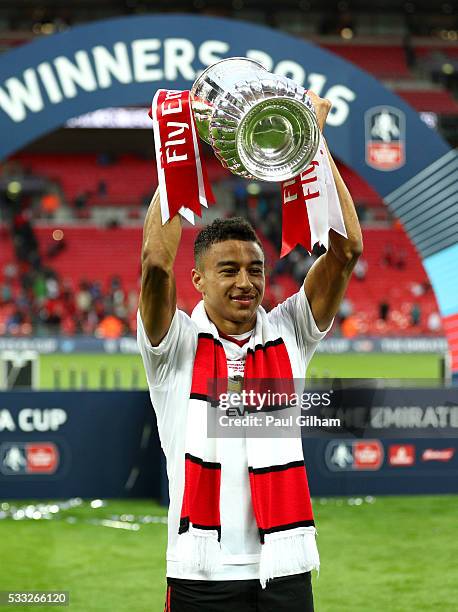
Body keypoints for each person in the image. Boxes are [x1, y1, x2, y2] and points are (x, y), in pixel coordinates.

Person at [137, 92, 363, 612]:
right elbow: (154, 262)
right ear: (197, 280)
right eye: (229, 270)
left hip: (285, 568)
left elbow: (346, 250)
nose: (245, 281)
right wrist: (180, 145)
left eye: (255, 270)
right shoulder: (175, 346)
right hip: (201, 572)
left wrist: (312, 142)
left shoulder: (289, 331)